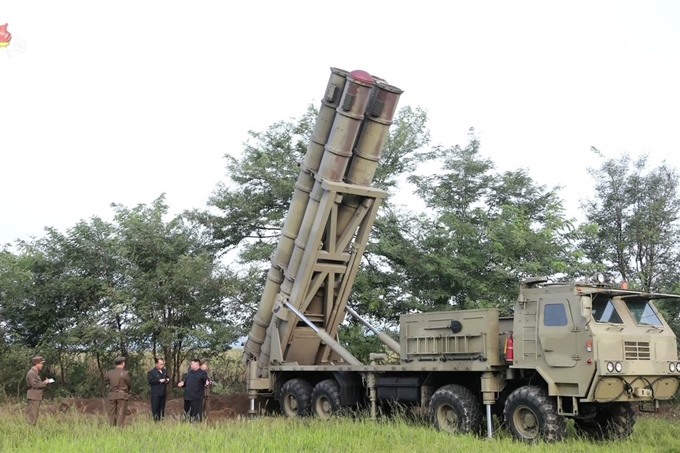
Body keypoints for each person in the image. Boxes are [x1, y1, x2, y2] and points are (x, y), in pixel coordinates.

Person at [25, 356, 52, 426]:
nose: (42, 365)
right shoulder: (31, 373)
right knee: (32, 414)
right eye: (41, 363)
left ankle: (32, 427)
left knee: (35, 413)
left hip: (36, 397)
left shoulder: (34, 373)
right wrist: (45, 382)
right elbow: (35, 385)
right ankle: (30, 429)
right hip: (33, 396)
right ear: (37, 364)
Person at [105, 356, 131, 427]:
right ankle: (120, 429)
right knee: (121, 413)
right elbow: (129, 384)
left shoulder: (110, 373)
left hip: (112, 395)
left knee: (111, 413)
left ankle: (111, 428)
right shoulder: (125, 373)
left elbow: (106, 381)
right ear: (123, 364)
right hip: (122, 396)